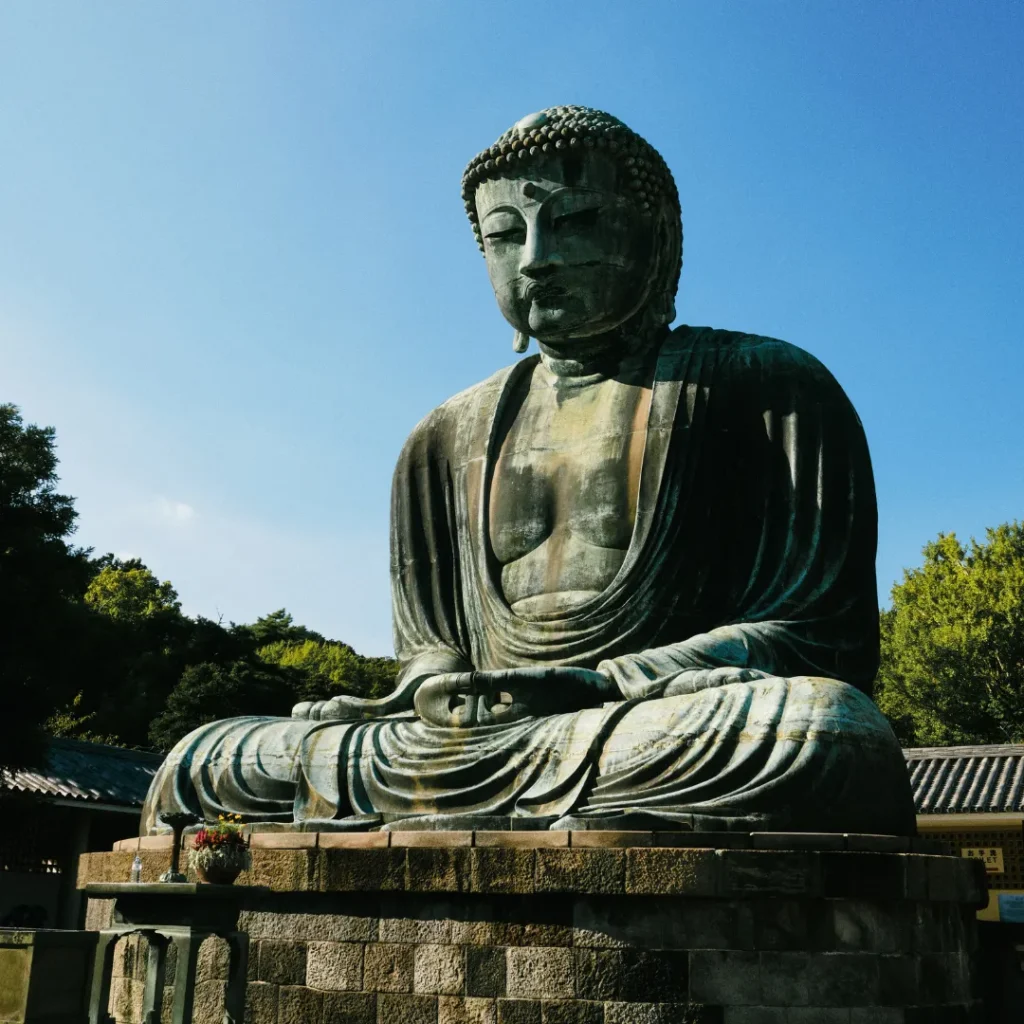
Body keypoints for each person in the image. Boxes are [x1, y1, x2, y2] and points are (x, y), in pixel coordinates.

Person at [142, 107, 915, 836]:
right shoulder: (441, 438)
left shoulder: (765, 387)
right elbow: (433, 647)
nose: (537, 260)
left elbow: (821, 640)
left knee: (824, 731)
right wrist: (422, 688)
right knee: (202, 762)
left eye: (574, 222)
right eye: (504, 235)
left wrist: (604, 682)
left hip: (645, 722)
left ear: (657, 235)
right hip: (477, 742)